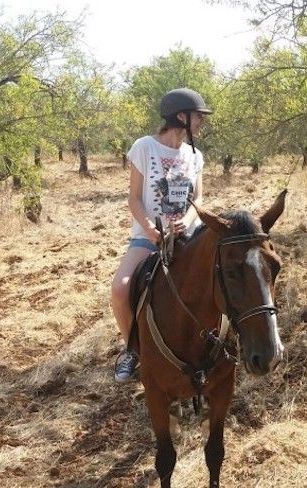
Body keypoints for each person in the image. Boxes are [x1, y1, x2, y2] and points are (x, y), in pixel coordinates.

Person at [109, 87, 212, 383]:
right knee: (120, 289)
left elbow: (200, 199)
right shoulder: (144, 147)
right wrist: (151, 229)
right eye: (197, 117)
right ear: (180, 116)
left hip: (188, 237)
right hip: (148, 236)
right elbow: (133, 198)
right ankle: (133, 351)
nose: (201, 122)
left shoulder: (195, 155)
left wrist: (187, 221)